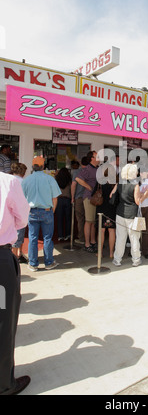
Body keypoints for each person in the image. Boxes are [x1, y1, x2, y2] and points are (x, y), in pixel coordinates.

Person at [0, 171, 30, 395]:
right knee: (3, 319)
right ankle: (4, 384)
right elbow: (22, 218)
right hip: (1, 261)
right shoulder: (8, 182)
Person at [22, 156, 61, 271]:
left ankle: (33, 263)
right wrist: (52, 211)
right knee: (47, 238)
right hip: (46, 211)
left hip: (32, 212)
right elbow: (55, 198)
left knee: (32, 238)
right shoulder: (50, 179)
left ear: (33, 167)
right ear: (43, 166)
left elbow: (22, 198)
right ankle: (49, 262)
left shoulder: (27, 180)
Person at [111, 163, 142, 267]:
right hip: (132, 214)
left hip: (120, 212)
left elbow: (112, 195)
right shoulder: (135, 185)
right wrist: (143, 195)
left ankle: (117, 259)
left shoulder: (119, 183)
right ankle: (136, 260)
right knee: (134, 238)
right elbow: (137, 201)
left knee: (120, 238)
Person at [75, 151, 100, 253]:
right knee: (89, 221)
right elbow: (78, 179)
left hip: (96, 198)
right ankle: (87, 244)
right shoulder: (88, 169)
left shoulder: (98, 169)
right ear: (92, 158)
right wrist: (88, 187)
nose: (99, 158)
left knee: (93, 222)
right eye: (97, 156)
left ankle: (93, 241)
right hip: (89, 198)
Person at [95, 165, 117, 260]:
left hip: (101, 209)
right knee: (112, 231)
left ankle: (99, 253)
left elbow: (93, 194)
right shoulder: (116, 183)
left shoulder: (100, 182)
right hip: (112, 209)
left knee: (101, 231)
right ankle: (111, 253)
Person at [10, 162, 28, 264]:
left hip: (9, 211)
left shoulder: (8, 180)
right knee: (19, 234)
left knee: (12, 234)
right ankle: (17, 255)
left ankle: (15, 255)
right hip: (20, 211)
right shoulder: (23, 182)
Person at [71, 156, 89, 244]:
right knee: (89, 219)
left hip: (79, 198)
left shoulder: (77, 172)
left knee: (80, 219)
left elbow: (73, 185)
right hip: (89, 198)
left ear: (81, 163)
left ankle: (82, 238)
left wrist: (72, 197)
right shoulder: (92, 172)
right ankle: (90, 239)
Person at [139, 165, 148, 259]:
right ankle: (136, 250)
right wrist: (146, 193)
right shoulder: (136, 181)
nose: (147, 174)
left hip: (147, 207)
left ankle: (146, 251)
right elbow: (137, 194)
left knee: (146, 230)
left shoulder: (147, 181)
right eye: (145, 172)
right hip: (139, 208)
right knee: (138, 230)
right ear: (140, 173)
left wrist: (142, 197)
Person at [55, 167, 72, 241]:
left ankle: (60, 236)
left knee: (60, 219)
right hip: (68, 199)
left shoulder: (56, 180)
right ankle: (68, 235)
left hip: (59, 200)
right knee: (68, 219)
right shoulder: (69, 180)